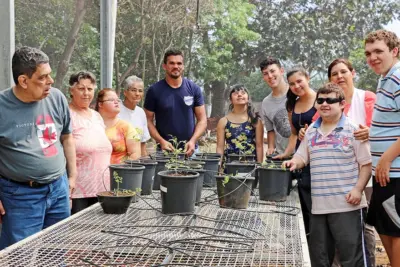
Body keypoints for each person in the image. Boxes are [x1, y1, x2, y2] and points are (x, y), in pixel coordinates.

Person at [284, 83, 372, 267]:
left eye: (330, 100)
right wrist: (294, 162)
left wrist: (358, 190)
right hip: (319, 207)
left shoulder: (354, 130)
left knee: (353, 258)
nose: (324, 104)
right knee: (320, 258)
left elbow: (366, 164)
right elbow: (302, 156)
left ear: (342, 104)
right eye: (320, 100)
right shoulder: (311, 131)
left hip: (348, 206)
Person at [0, 46, 77, 249]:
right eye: (42, 77)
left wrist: (72, 176)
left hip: (58, 188)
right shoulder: (1, 107)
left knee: (56, 252)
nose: (50, 82)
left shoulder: (57, 97)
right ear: (23, 81)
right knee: (20, 255)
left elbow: (67, 137)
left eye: (50, 75)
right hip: (20, 194)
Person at [328, 58, 377, 267]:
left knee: (365, 226)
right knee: (337, 225)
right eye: (334, 74)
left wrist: (371, 132)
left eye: (343, 72)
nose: (339, 77)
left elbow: (385, 128)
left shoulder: (366, 98)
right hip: (337, 176)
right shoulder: (328, 103)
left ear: (352, 73)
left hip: (365, 176)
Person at [364, 29, 400, 267]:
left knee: (397, 232)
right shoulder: (385, 77)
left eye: (379, 51)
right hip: (384, 172)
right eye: (368, 53)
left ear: (395, 51)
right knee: (386, 229)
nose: (372, 57)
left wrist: (387, 157)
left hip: (395, 171)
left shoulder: (398, 76)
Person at [275, 67, 316, 236]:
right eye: (292, 84)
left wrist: (311, 132)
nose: (296, 86)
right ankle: (304, 237)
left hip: (318, 159)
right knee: (303, 198)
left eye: (299, 81)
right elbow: (293, 134)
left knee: (316, 203)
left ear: (308, 78)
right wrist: (286, 153)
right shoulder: (292, 104)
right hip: (301, 158)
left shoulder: (320, 99)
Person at [144, 49, 207, 157]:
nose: (176, 66)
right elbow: (147, 120)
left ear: (183, 66)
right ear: (164, 66)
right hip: (164, 151)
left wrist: (193, 141)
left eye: (179, 63)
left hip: (191, 150)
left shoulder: (194, 89)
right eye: (172, 63)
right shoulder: (154, 90)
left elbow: (202, 119)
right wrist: (161, 141)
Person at [68, 71, 112, 214]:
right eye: (81, 88)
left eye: (90, 89)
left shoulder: (96, 116)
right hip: (78, 191)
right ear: (71, 90)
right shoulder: (67, 114)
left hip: (103, 188)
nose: (86, 93)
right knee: (77, 232)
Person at [216, 85, 264, 168]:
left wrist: (259, 168)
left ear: (248, 98)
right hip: (229, 166)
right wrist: (219, 167)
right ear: (231, 100)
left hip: (250, 167)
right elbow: (220, 147)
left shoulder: (255, 121)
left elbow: (259, 146)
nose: (239, 95)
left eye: (243, 93)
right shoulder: (223, 121)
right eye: (236, 93)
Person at [96, 88, 141, 164]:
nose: (116, 102)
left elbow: (135, 154)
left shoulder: (126, 127)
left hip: (119, 173)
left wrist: (121, 170)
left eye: (118, 100)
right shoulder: (91, 125)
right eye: (111, 100)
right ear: (100, 104)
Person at [259, 57, 292, 155]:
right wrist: (270, 147)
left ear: (281, 71)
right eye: (265, 74)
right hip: (280, 156)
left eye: (272, 71)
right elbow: (270, 130)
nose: (270, 76)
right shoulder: (266, 103)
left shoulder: (296, 92)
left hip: (302, 155)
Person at [118, 75, 150, 157]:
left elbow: (142, 143)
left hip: (136, 163)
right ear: (125, 92)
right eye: (133, 90)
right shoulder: (116, 109)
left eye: (140, 91)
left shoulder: (141, 112)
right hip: (118, 160)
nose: (137, 94)